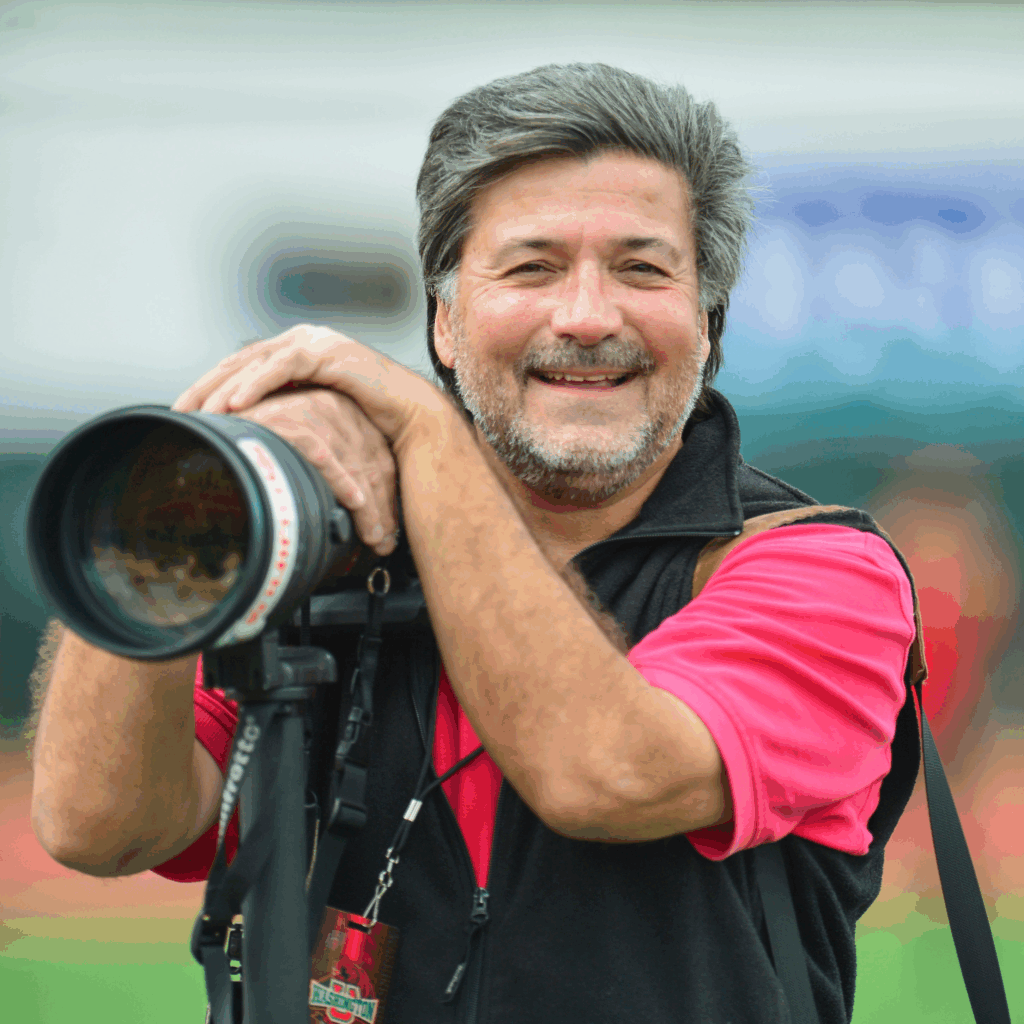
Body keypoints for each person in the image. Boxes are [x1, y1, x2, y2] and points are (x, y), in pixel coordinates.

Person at [30, 64, 921, 1023]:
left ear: (707, 324)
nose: (586, 315)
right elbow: (99, 826)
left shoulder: (821, 571)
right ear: (446, 324)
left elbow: (604, 773)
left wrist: (420, 434)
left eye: (642, 268)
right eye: (532, 267)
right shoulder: (333, 545)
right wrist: (174, 479)